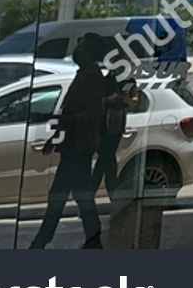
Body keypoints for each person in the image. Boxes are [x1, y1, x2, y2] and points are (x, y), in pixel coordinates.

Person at [29, 33, 106, 249]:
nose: (78, 50)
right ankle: (93, 240)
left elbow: (89, 113)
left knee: (60, 196)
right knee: (80, 198)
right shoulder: (84, 74)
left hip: (79, 147)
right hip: (74, 145)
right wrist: (56, 137)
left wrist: (63, 124)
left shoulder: (91, 77)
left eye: (83, 46)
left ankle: (41, 241)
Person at [93, 36, 138, 202]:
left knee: (107, 158)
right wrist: (110, 99)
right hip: (105, 123)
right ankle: (111, 192)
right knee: (107, 159)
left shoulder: (130, 81)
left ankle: (97, 192)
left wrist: (123, 99)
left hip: (117, 123)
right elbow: (98, 99)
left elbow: (134, 101)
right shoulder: (108, 80)